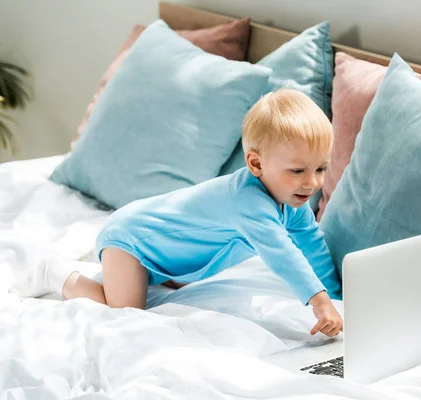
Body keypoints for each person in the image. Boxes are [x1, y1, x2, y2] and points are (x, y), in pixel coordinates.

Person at [10, 89, 344, 337]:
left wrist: (337, 296)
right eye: (298, 171)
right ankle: (56, 275)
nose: (312, 183)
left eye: (321, 169)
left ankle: (116, 275)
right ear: (256, 163)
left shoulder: (292, 202)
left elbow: (310, 244)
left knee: (150, 289)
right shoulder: (250, 203)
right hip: (132, 242)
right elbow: (283, 254)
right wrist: (319, 302)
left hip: (166, 258)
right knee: (126, 313)